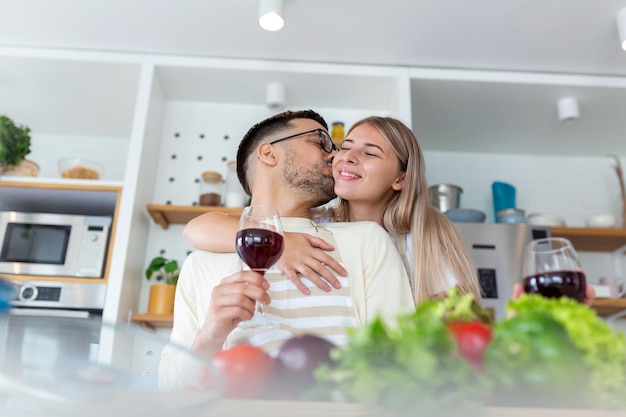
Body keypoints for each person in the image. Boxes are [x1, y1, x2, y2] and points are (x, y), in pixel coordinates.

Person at [159, 110, 415, 389]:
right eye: (321, 143)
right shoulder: (202, 263)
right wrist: (211, 335)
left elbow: (400, 362)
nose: (335, 156)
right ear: (269, 154)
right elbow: (171, 388)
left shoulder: (366, 240)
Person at [184, 115, 482, 305]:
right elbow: (197, 228)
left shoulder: (427, 230)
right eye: (344, 147)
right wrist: (283, 245)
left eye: (369, 153)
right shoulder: (318, 226)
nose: (344, 158)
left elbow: (456, 320)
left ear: (401, 178)